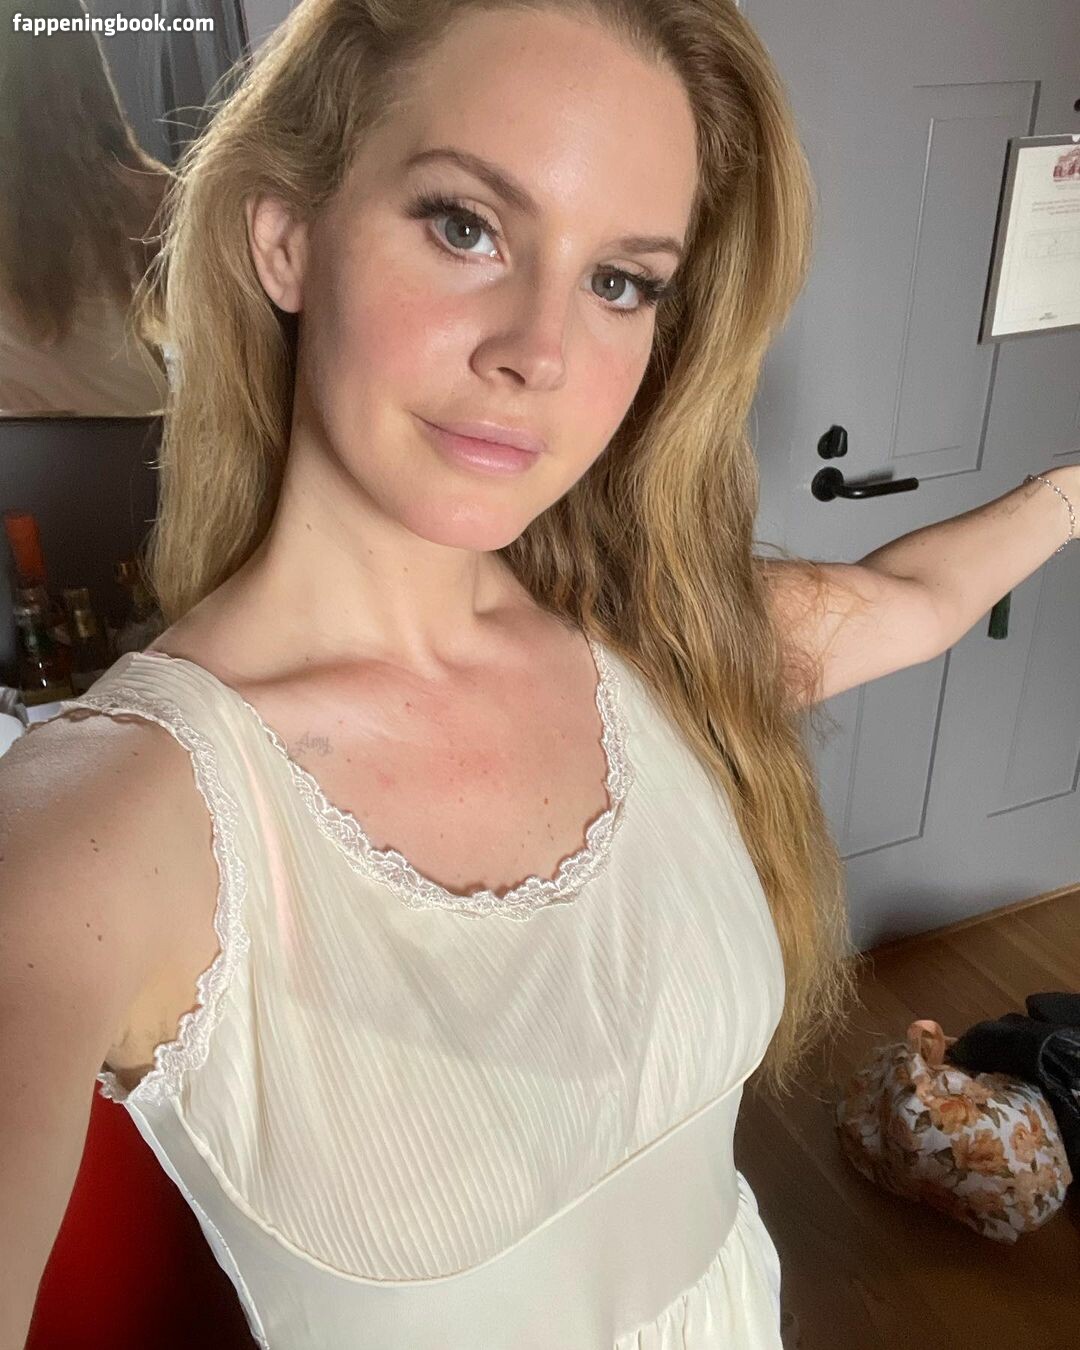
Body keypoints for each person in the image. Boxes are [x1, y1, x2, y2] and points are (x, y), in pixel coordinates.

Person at [3, 0, 1077, 1346]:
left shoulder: (657, 647)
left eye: (621, 280)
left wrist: (1069, 490)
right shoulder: (97, 829)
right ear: (286, 239)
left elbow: (914, 598)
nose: (540, 353)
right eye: (465, 225)